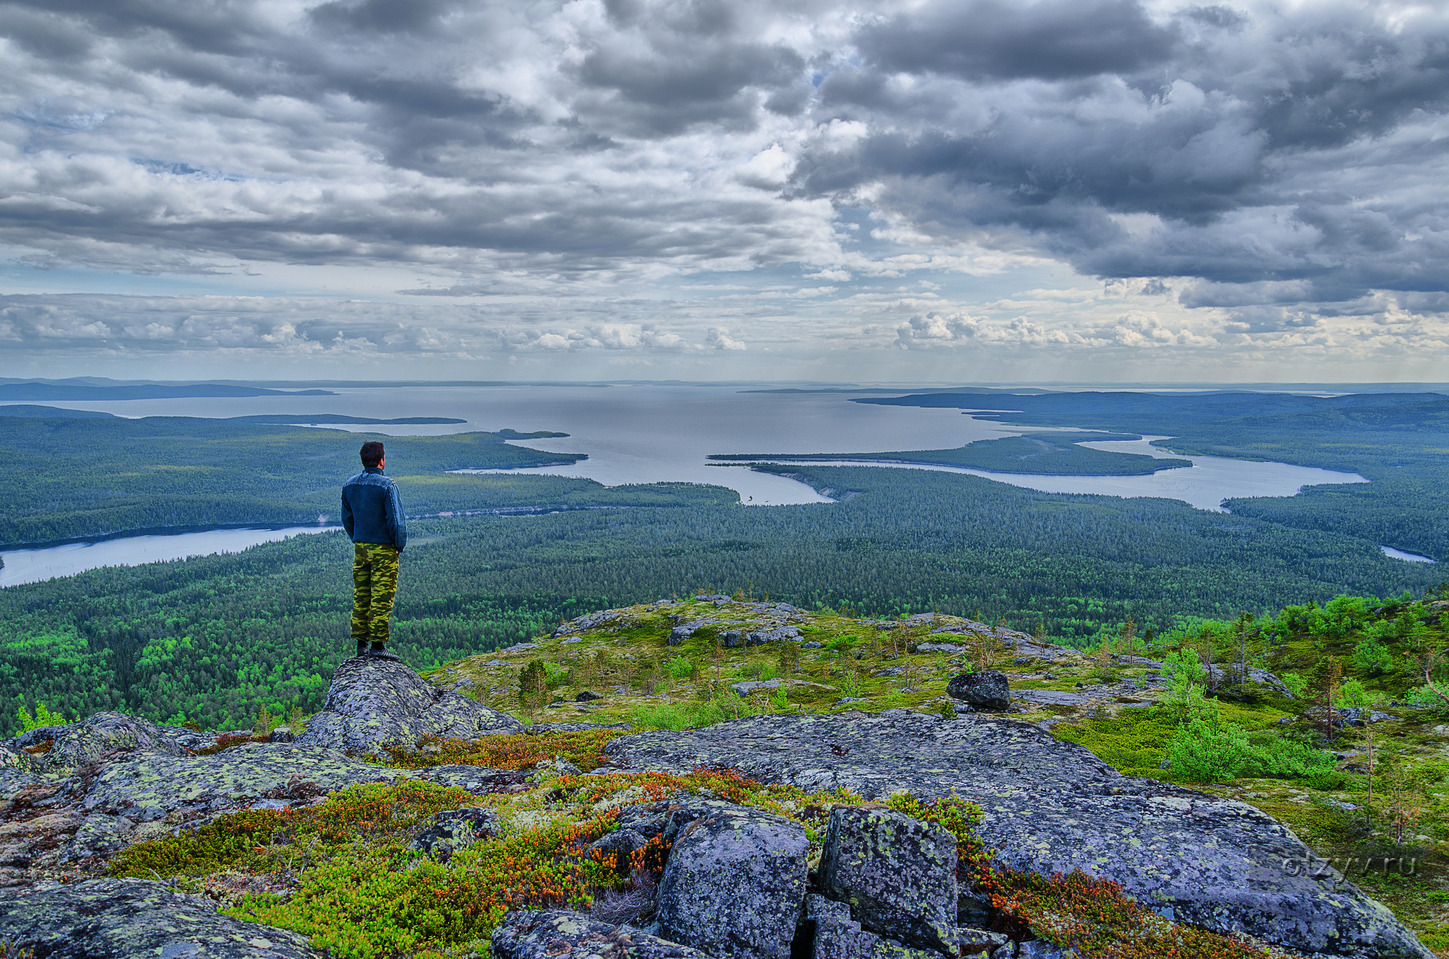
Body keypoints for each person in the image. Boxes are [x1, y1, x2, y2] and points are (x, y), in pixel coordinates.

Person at [341, 440, 406, 659]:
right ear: (381, 461)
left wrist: (357, 539)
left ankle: (361, 645)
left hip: (360, 547)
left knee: (362, 593)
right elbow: (396, 521)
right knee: (382, 594)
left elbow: (347, 519)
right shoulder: (388, 486)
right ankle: (378, 646)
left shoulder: (349, 485)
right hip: (384, 549)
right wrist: (398, 545)